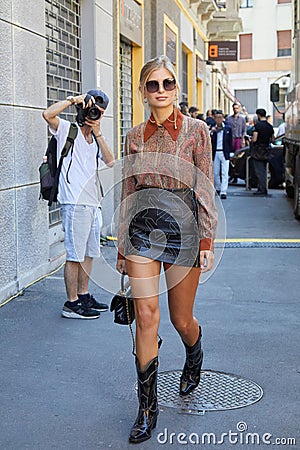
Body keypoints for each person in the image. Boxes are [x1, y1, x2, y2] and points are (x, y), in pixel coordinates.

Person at [116, 55, 217, 444]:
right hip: (143, 224)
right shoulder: (133, 136)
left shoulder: (197, 131)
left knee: (181, 319)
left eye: (168, 83)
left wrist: (207, 240)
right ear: (143, 91)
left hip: (185, 226)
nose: (161, 90)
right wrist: (124, 247)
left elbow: (205, 186)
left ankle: (194, 350)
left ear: (177, 89)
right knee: (145, 315)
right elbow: (128, 190)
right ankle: (146, 409)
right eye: (153, 84)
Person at [42, 90, 114, 319]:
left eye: (100, 112)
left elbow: (111, 161)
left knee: (89, 253)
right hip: (74, 203)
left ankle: (83, 295)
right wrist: (73, 100)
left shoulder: (95, 138)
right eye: (93, 109)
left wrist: (98, 132)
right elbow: (47, 114)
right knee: (74, 255)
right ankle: (71, 303)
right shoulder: (66, 130)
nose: (95, 114)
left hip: (93, 204)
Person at [251, 108, 275, 196]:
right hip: (266, 150)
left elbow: (254, 139)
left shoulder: (258, 126)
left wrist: (251, 140)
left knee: (259, 170)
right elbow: (273, 139)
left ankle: (262, 189)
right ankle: (263, 187)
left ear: (258, 115)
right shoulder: (270, 126)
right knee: (264, 170)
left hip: (258, 151)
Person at [210, 111, 233, 200]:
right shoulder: (213, 129)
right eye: (217, 117)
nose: (219, 119)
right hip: (215, 152)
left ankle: (224, 191)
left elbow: (230, 141)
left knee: (224, 172)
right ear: (214, 118)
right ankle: (218, 188)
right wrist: (211, 132)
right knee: (216, 172)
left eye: (220, 117)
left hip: (224, 152)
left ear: (223, 118)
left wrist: (230, 152)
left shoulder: (227, 129)